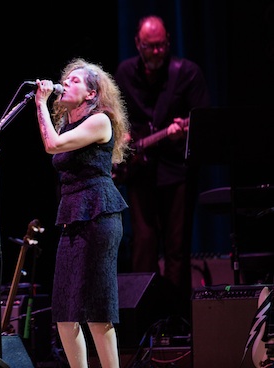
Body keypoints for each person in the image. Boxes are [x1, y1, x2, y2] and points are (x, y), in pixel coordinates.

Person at [33, 58, 130, 367]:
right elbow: (56, 142)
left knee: (96, 308)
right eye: (67, 78)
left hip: (99, 213)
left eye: (75, 81)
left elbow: (52, 145)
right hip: (72, 213)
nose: (66, 83)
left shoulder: (100, 120)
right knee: (64, 309)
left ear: (91, 93)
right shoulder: (67, 123)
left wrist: (40, 104)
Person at [113, 15, 211, 318]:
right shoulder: (126, 72)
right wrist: (124, 133)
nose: (156, 52)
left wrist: (186, 127)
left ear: (168, 42)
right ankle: (143, 318)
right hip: (139, 172)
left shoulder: (187, 73)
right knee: (143, 245)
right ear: (138, 44)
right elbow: (118, 114)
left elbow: (203, 121)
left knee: (176, 249)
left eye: (160, 46)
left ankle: (176, 316)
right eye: (149, 47)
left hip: (177, 171)